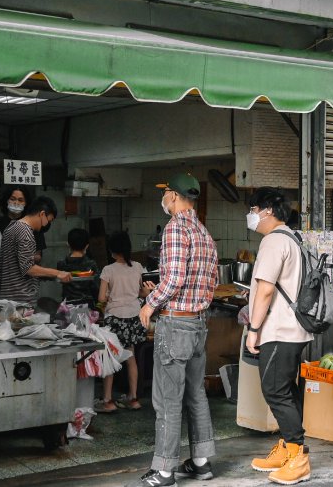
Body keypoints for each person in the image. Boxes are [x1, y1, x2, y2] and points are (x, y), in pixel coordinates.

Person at [128, 173, 218, 487]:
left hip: (175, 323)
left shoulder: (176, 227)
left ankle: (164, 471)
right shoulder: (204, 232)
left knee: (167, 400)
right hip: (198, 323)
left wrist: (150, 302)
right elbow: (208, 281)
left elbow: (175, 278)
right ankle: (201, 463)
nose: (164, 199)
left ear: (175, 197)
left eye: (166, 193)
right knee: (196, 394)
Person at [244, 187, 313, 485]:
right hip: (296, 330)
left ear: (267, 210)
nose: (251, 216)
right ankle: (288, 447)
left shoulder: (273, 241)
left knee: (276, 391)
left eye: (252, 210)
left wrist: (254, 329)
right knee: (287, 389)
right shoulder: (294, 237)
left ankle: (298, 458)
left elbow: (266, 290)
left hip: (278, 330)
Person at [97, 231, 150, 413]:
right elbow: (142, 293)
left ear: (111, 250)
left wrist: (110, 298)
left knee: (111, 358)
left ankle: (108, 401)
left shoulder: (108, 270)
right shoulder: (137, 267)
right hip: (134, 317)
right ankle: (133, 398)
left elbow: (101, 297)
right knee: (130, 357)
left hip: (115, 318)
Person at [0, 196, 72, 305]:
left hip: (8, 295)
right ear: (42, 214)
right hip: (19, 299)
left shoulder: (13, 225)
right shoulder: (25, 232)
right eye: (49, 220)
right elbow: (28, 269)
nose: (47, 225)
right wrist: (58, 273)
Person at [0, 185, 47, 264]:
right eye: (12, 199)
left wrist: (21, 256)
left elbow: (38, 256)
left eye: (20, 200)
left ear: (26, 203)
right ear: (6, 200)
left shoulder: (34, 224)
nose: (16, 203)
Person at [56, 228, 99, 307]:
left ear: (68, 244)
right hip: (87, 306)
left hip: (68, 306)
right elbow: (95, 288)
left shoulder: (61, 264)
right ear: (87, 246)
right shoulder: (91, 265)